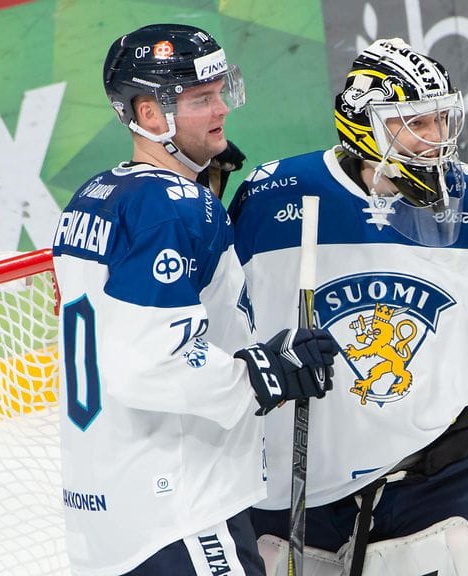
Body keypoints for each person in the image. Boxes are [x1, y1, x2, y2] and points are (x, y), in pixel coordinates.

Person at [227, 38, 468, 576]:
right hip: (299, 490)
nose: (436, 138)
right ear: (365, 125)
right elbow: (221, 317)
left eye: (441, 120)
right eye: (416, 124)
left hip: (439, 481)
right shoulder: (272, 198)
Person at [52, 24, 337, 576]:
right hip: (181, 510)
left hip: (106, 515)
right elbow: (151, 363)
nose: (222, 109)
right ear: (150, 114)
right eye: (201, 99)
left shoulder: (92, 198)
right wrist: (264, 372)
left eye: (220, 92)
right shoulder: (173, 209)